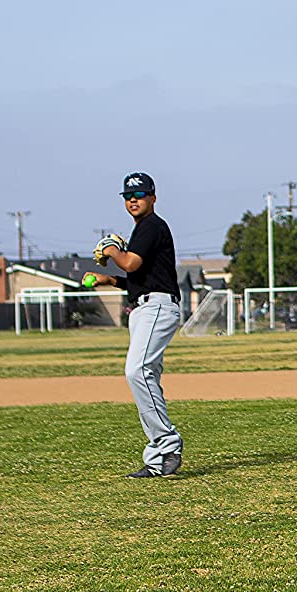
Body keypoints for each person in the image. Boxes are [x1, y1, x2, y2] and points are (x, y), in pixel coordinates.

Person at [90, 173, 183, 478]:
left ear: (153, 198)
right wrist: (109, 280)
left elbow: (130, 263)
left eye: (140, 194)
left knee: (136, 371)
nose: (133, 199)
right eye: (128, 195)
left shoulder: (152, 225)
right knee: (146, 378)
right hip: (145, 306)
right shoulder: (144, 230)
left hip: (157, 307)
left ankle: (168, 445)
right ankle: (158, 459)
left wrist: (111, 250)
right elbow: (138, 277)